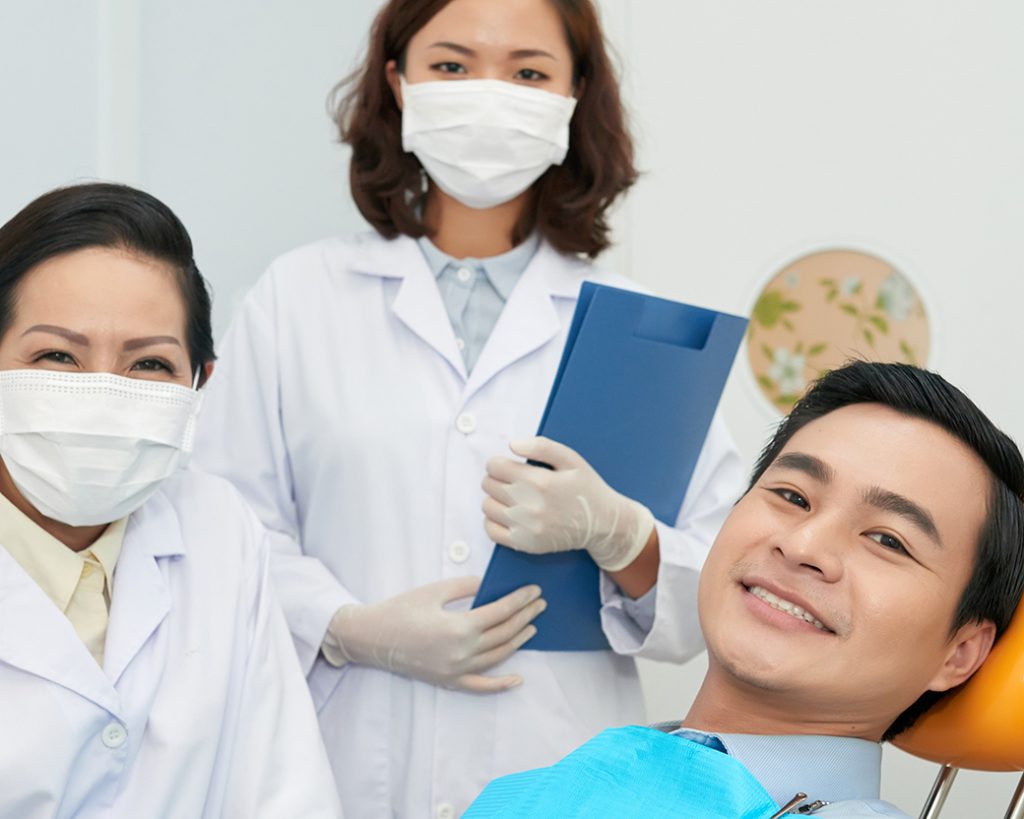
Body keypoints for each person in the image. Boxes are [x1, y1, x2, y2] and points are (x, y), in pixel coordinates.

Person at [191, 0, 744, 814]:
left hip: (566, 774)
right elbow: (223, 524)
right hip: (338, 767)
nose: (490, 93)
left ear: (574, 92)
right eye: (451, 65)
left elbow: (719, 585)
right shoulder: (297, 298)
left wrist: (622, 534)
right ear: (399, 80)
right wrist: (348, 624)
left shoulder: (647, 329)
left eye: (528, 71)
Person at [464, 361, 1024, 818]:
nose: (803, 544)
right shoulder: (550, 784)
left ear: (959, 653)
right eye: (793, 496)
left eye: (886, 539)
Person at [0, 183, 343, 819]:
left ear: (198, 385)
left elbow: (282, 790)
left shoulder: (217, 526)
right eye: (57, 355)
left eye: (149, 365)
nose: (101, 392)